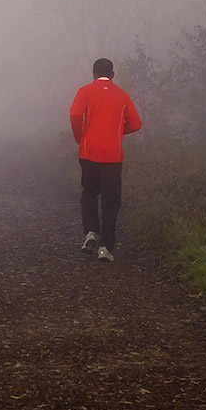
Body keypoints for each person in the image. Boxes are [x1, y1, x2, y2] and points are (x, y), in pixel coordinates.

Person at [69, 57, 142, 261]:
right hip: (112, 155)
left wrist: (80, 137)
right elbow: (136, 124)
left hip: (88, 151)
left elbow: (75, 114)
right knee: (111, 200)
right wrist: (116, 131)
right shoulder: (122, 95)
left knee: (89, 193)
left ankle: (91, 231)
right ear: (112, 75)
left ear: (93, 74)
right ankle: (105, 248)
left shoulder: (85, 91)